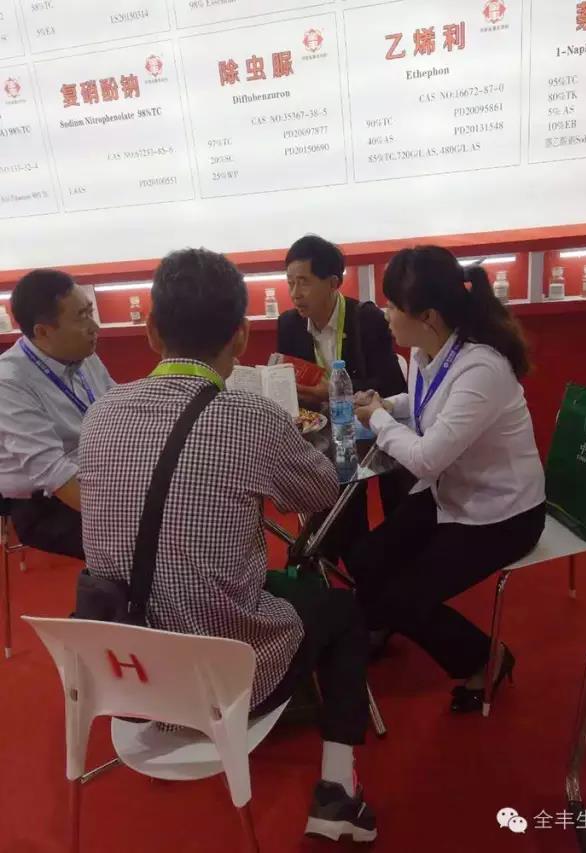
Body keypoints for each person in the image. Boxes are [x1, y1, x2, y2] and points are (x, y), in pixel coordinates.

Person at [79, 248, 377, 842]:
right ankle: (337, 795)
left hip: (125, 669)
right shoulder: (250, 417)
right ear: (240, 336)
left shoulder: (100, 415)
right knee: (342, 610)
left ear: (151, 332)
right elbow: (323, 490)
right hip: (224, 674)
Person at [352, 246, 546, 713]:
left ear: (428, 316)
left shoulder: (481, 368)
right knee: (365, 559)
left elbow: (425, 459)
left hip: (501, 514)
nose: (386, 314)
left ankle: (486, 659)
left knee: (401, 596)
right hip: (451, 494)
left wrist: (378, 418)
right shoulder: (426, 350)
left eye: (393, 306)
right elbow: (426, 404)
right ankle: (385, 618)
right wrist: (390, 405)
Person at [278, 235, 411, 562]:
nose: (295, 293)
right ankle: (334, 556)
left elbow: (390, 384)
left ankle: (376, 558)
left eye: (304, 282)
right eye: (290, 283)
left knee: (377, 491)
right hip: (321, 438)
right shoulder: (289, 324)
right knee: (331, 495)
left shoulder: (365, 319)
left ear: (333, 283)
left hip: (368, 432)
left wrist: (333, 391)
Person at [0, 269, 113, 559]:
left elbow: (116, 407)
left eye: (90, 312)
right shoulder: (9, 381)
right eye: (82, 317)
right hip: (46, 504)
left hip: (99, 472)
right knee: (146, 543)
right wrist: (125, 513)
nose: (94, 327)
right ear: (43, 332)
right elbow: (52, 473)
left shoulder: (82, 354)